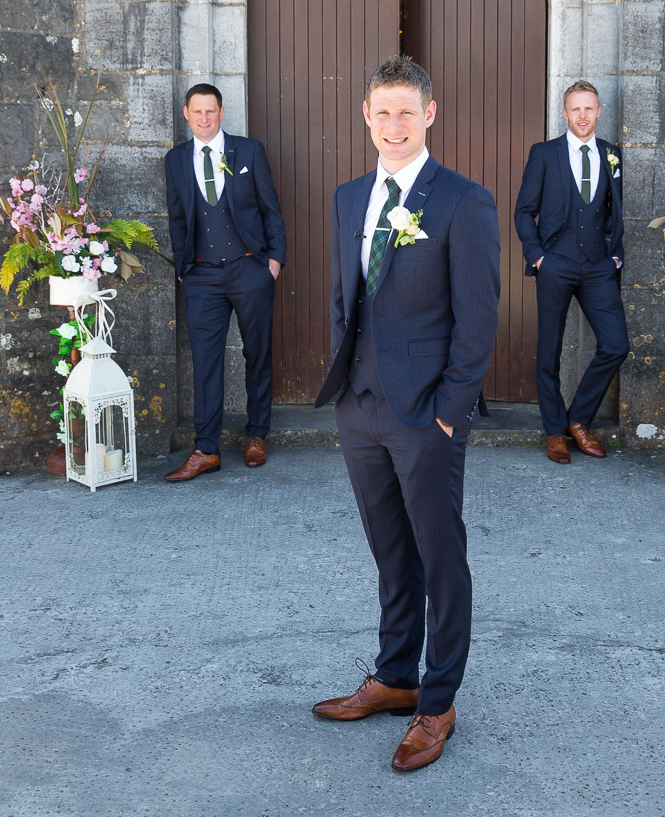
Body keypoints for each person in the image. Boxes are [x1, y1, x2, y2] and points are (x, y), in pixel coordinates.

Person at [313, 56, 500, 772]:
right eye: (381, 111)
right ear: (366, 116)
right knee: (390, 551)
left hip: (427, 415)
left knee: (438, 556)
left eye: (406, 111)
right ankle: (396, 677)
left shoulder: (462, 200)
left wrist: (451, 412)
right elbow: (345, 295)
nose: (393, 125)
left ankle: (437, 700)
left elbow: (478, 319)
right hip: (359, 408)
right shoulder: (346, 196)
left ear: (430, 114)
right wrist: (343, 377)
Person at [163, 83, 286, 482]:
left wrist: (274, 260)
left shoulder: (248, 151)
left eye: (210, 112)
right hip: (202, 275)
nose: (203, 119)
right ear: (186, 113)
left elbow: (271, 208)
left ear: (221, 112)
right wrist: (184, 268)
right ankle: (207, 448)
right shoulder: (176, 160)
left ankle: (256, 434)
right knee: (205, 362)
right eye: (196, 112)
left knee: (257, 352)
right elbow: (178, 218)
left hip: (249, 268)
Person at [514, 79, 629, 465]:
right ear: (565, 113)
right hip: (556, 264)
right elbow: (523, 211)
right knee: (549, 351)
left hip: (598, 266)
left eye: (589, 108)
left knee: (616, 345)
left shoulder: (612, 154)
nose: (582, 115)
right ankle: (554, 432)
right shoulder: (545, 154)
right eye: (575, 108)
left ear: (599, 112)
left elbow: (614, 210)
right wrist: (538, 256)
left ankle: (578, 420)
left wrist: (615, 255)